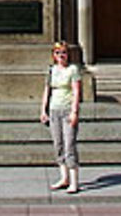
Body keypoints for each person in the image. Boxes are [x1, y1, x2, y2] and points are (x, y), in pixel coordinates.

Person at [40, 41, 81, 193]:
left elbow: (76, 91)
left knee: (69, 145)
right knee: (58, 144)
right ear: (54, 55)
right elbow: (47, 91)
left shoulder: (73, 69)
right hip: (54, 110)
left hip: (67, 109)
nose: (61, 56)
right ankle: (64, 178)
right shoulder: (51, 70)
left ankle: (74, 182)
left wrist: (74, 111)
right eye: (58, 53)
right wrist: (43, 110)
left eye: (63, 52)